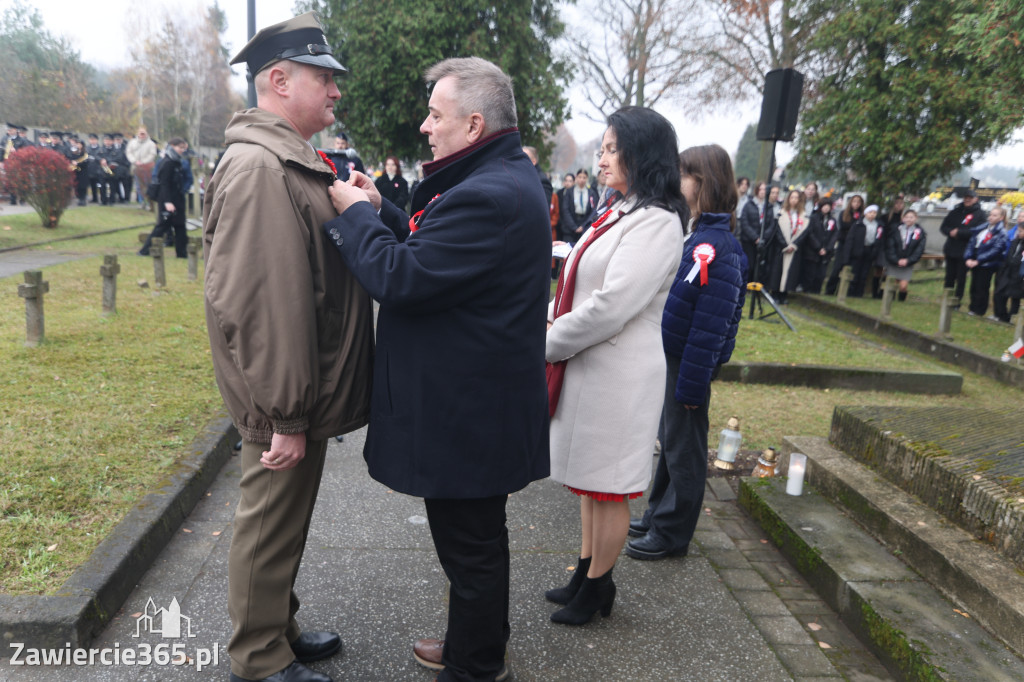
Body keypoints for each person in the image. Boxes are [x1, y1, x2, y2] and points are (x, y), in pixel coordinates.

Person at [322, 56, 549, 682]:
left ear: (473, 125)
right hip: (479, 404)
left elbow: (401, 277)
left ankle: (473, 666)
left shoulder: (486, 194)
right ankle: (476, 644)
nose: (426, 126)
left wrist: (355, 217)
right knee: (476, 540)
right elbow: (435, 249)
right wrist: (383, 210)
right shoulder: (496, 179)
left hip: (469, 411)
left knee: (470, 547)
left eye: (436, 114)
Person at [203, 13, 373, 682]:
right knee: (269, 520)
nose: (335, 92)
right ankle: (258, 655)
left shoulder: (284, 159)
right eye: (323, 78)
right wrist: (286, 413)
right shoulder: (259, 167)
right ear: (279, 80)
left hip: (299, 386)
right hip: (285, 391)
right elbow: (263, 306)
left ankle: (277, 624)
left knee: (284, 522)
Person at [544, 106, 686, 623]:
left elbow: (613, 305)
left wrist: (550, 340)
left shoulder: (657, 222)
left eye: (609, 149)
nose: (600, 160)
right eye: (600, 149)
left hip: (620, 374)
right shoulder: (624, 209)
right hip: (595, 367)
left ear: (639, 153)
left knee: (609, 487)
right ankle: (585, 571)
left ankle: (600, 587)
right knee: (588, 480)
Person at [627, 143, 746, 561]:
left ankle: (672, 532)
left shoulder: (720, 247)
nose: (678, 182)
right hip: (673, 359)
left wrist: (694, 383)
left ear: (704, 182)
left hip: (687, 365)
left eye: (685, 175)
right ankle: (658, 513)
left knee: (685, 450)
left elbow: (711, 326)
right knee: (670, 443)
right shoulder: (698, 233)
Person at [138, 139, 190, 257]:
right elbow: (164, 183)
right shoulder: (167, 162)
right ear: (172, 146)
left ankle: (182, 253)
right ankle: (145, 250)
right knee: (162, 227)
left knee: (180, 226)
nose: (182, 150)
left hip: (178, 198)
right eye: (179, 147)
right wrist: (167, 202)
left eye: (183, 148)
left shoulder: (178, 161)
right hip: (168, 199)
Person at [940, 189, 987, 303]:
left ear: (976, 199)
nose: (967, 199)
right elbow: (944, 226)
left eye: (970, 198)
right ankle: (946, 298)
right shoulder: (956, 211)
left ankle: (956, 300)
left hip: (965, 250)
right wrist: (950, 232)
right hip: (951, 248)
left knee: (961, 278)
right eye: (966, 197)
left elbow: (978, 231)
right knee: (949, 276)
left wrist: (959, 233)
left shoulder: (980, 214)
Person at [964, 206, 1009, 317]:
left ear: (1001, 218)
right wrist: (968, 257)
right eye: (990, 214)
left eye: (994, 215)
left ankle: (979, 310)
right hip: (975, 260)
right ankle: (972, 308)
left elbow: (996, 250)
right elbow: (972, 242)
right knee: (973, 286)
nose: (991, 217)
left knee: (982, 288)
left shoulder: (1001, 232)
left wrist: (979, 260)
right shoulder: (983, 228)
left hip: (987, 263)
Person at [885, 208, 927, 301]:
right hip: (895, 260)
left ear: (916, 218)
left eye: (911, 217)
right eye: (907, 217)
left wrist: (908, 260)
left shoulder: (920, 233)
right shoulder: (895, 229)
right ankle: (890, 301)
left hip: (908, 262)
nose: (909, 219)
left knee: (903, 286)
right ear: (903, 218)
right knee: (893, 283)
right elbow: (890, 246)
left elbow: (919, 250)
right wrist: (896, 260)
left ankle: (901, 301)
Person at [774, 188, 807, 301]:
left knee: (790, 272)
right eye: (792, 197)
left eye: (796, 198)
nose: (794, 200)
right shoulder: (781, 213)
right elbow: (777, 230)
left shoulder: (803, 215)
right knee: (778, 270)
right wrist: (785, 244)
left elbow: (804, 232)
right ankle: (775, 293)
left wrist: (794, 245)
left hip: (794, 248)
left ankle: (784, 294)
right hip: (782, 247)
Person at [800, 197, 836, 294]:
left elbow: (834, 235)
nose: (826, 208)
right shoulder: (814, 218)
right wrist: (818, 247)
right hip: (812, 251)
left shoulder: (832, 220)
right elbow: (810, 233)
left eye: (828, 206)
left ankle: (817, 291)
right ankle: (806, 291)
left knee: (820, 275)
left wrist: (827, 248)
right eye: (824, 206)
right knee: (810, 274)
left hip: (825, 253)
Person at [994, 212, 1024, 323]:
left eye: (1021, 231)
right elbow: (1010, 254)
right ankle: (1003, 315)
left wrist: (1014, 262)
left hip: (1019, 274)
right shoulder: (1015, 242)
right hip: (1008, 272)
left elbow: (1020, 259)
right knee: (1000, 293)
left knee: (1015, 297)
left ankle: (1012, 317)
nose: (1019, 233)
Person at [739, 181, 772, 283]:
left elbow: (771, 224)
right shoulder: (749, 205)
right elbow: (744, 222)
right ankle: (746, 283)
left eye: (764, 190)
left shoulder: (769, 207)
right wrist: (755, 238)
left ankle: (756, 282)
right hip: (749, 241)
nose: (762, 192)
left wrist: (763, 237)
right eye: (761, 189)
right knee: (749, 264)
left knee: (760, 264)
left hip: (763, 241)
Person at [559, 168, 598, 241]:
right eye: (580, 177)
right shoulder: (570, 192)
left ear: (587, 179)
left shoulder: (591, 193)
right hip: (570, 226)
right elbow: (565, 209)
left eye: (584, 177)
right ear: (576, 178)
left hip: (584, 224)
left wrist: (584, 225)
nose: (582, 180)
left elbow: (593, 210)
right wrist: (574, 227)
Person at [126, 128, 158, 208]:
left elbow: (152, 154)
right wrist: (135, 161)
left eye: (144, 133)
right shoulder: (132, 143)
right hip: (136, 167)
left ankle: (150, 203)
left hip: (148, 168)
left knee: (148, 185)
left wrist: (143, 162)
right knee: (139, 186)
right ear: (138, 134)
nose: (142, 135)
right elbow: (129, 153)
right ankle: (142, 202)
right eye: (141, 133)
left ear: (146, 134)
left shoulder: (151, 144)